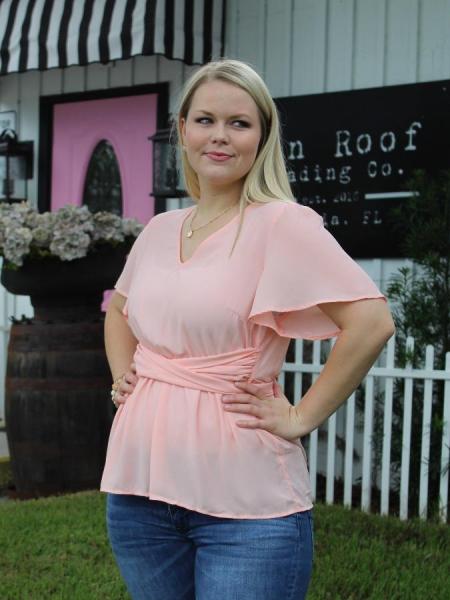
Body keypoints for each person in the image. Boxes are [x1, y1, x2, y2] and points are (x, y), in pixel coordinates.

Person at [100, 58, 395, 600]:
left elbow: (371, 322)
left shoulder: (281, 223)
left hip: (245, 509)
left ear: (262, 137)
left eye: (239, 123)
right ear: (182, 129)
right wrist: (124, 374)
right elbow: (119, 312)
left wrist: (302, 415)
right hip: (138, 494)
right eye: (205, 119)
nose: (220, 136)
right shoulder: (161, 230)